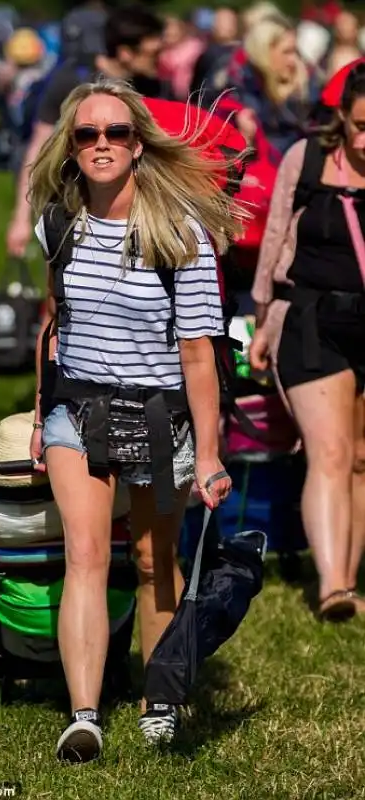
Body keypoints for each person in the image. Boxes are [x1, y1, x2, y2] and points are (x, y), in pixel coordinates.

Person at [27, 77, 244, 761]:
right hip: (77, 409)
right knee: (85, 557)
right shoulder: (55, 223)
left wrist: (207, 454)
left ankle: (160, 701)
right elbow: (55, 320)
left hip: (159, 415)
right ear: (70, 144)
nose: (100, 145)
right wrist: (40, 410)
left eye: (115, 133)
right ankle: (84, 714)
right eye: (87, 133)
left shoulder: (178, 234)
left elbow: (200, 356)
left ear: (138, 144)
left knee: (155, 562)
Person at [249, 61, 365, 622]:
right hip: (312, 317)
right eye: (361, 125)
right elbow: (274, 236)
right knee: (331, 453)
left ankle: (347, 573)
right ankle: (333, 585)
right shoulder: (308, 159)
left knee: (362, 459)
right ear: (342, 116)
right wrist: (261, 316)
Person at [6, 4, 171, 258]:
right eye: (153, 53)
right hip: (73, 212)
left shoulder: (155, 87)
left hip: (140, 216)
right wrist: (20, 218)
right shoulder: (72, 80)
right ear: (125, 52)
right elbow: (38, 149)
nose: (159, 61)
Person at [225, 14, 319, 154]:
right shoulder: (242, 86)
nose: (294, 60)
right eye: (287, 52)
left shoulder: (305, 84)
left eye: (295, 51)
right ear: (264, 52)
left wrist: (299, 98)